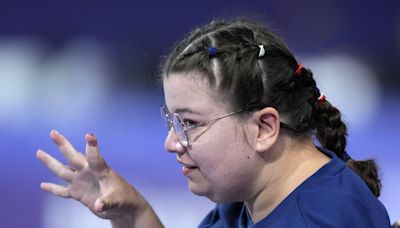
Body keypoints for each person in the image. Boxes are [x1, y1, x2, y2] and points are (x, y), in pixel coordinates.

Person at [36, 18, 391, 227]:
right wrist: (134, 212)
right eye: (172, 121)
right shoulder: (248, 197)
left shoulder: (318, 219)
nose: (172, 143)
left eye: (190, 122)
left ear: (264, 128)